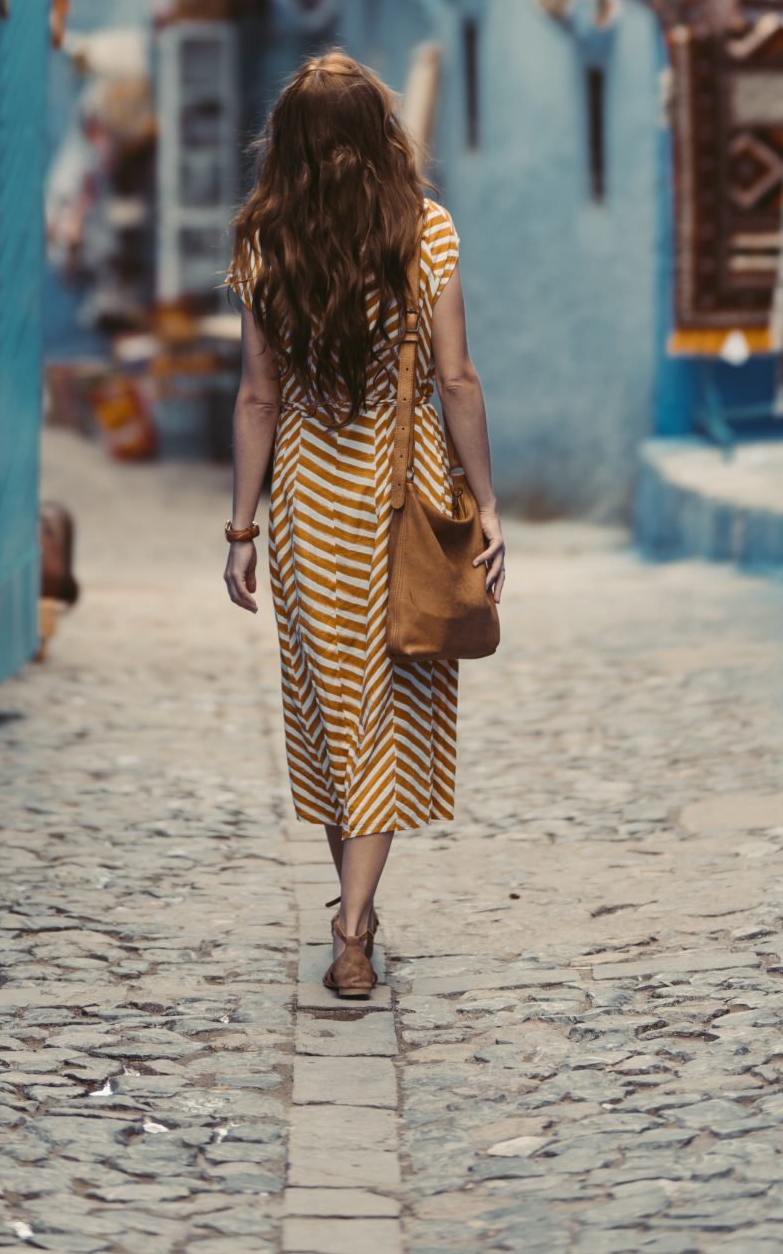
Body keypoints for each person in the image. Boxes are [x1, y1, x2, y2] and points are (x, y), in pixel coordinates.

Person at [223, 51, 505, 997]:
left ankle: (354, 913)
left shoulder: (264, 244)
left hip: (309, 502)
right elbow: (456, 378)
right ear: (380, 135)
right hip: (402, 491)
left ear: (291, 148)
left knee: (337, 711)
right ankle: (353, 925)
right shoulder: (426, 232)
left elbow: (258, 399)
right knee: (379, 710)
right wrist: (488, 501)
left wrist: (240, 530)